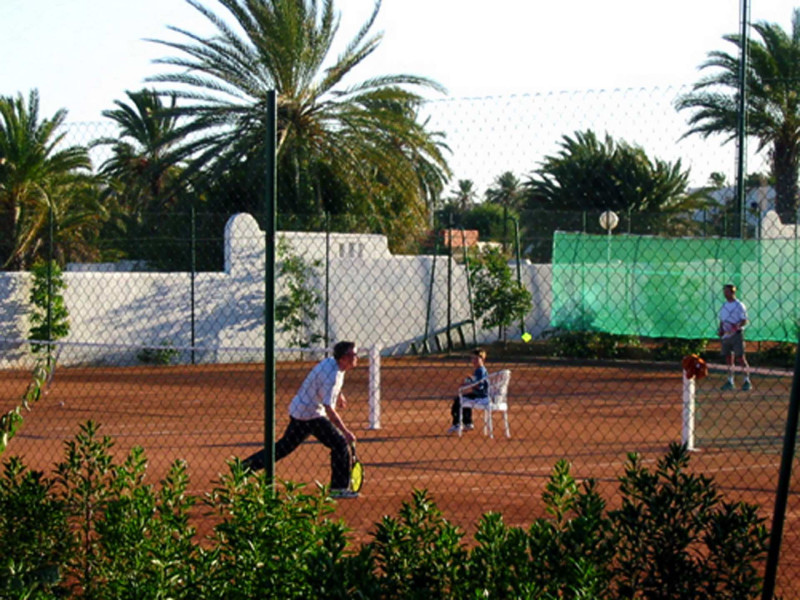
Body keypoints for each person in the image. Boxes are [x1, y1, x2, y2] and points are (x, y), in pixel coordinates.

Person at [243, 340, 360, 498]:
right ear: (344, 358)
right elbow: (329, 408)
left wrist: (339, 394)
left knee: (283, 447)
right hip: (311, 415)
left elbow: (323, 384)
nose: (357, 357)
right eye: (354, 354)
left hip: (300, 409)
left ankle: (244, 467)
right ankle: (338, 488)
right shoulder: (332, 376)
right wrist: (346, 432)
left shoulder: (331, 362)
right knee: (339, 443)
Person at [718, 284, 752, 391]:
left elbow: (745, 320)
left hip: (736, 335)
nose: (725, 293)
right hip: (726, 336)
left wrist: (736, 327)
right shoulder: (724, 306)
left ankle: (747, 381)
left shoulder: (739, 305)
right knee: (728, 359)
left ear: (732, 292)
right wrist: (721, 330)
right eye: (724, 291)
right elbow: (722, 320)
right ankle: (730, 381)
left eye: (727, 291)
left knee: (741, 358)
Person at [448, 347, 489, 434]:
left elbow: (479, 385)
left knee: (458, 400)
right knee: (465, 399)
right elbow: (476, 383)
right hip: (480, 394)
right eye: (472, 358)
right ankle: (467, 422)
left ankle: (457, 423)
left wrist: (469, 381)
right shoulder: (479, 370)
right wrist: (468, 382)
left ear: (482, 359)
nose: (473, 361)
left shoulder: (480, 370)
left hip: (480, 395)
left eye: (476, 358)